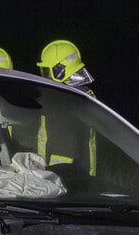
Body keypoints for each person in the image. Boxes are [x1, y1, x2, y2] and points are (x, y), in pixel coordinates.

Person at [34, 39, 97, 174]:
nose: (44, 75)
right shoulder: (84, 95)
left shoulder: (65, 99)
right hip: (82, 173)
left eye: (46, 71)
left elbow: (63, 145)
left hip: (64, 173)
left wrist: (51, 172)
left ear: (60, 70)